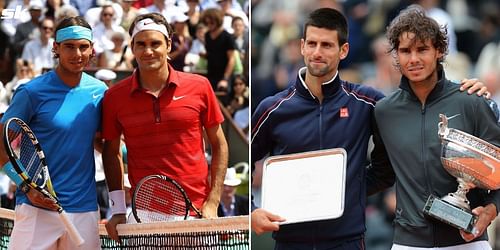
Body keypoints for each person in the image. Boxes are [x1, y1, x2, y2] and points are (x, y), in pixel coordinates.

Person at [251, 7, 490, 249]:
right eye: (311, 44)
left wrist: (348, 192)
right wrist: (249, 211)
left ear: (344, 50)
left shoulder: (368, 102)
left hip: (349, 241)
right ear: (302, 46)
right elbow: (240, 161)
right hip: (289, 241)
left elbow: (385, 166)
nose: (317, 52)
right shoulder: (273, 109)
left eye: (326, 45)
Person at [367, 5, 500, 249]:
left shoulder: (472, 100)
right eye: (405, 51)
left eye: (422, 49)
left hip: (468, 241)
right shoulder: (384, 112)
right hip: (409, 243)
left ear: (439, 50)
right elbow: (381, 173)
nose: (414, 59)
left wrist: (491, 210)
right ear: (396, 55)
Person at [102, 13, 229, 242]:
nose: (148, 51)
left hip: (197, 214)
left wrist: (213, 201)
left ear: (169, 45)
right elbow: (111, 154)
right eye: (141, 44)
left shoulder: (200, 86)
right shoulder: (113, 97)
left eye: (155, 43)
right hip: (144, 217)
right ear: (132, 47)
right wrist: (118, 209)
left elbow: (219, 144)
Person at [0, 16, 107, 249]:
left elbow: (101, 143)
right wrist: (26, 186)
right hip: (36, 207)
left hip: (84, 209)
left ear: (91, 50)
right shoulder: (31, 92)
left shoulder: (100, 92)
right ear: (55, 48)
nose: (77, 54)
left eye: (83, 47)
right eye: (69, 46)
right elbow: (1, 146)